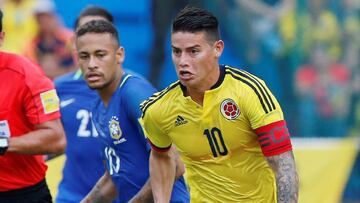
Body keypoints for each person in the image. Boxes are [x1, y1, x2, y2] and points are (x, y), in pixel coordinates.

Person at [140, 6, 299, 203]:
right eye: (176, 52)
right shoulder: (157, 110)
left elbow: (283, 164)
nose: (183, 61)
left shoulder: (250, 92)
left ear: (218, 49)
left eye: (193, 51)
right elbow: (160, 156)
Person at [75, 20, 189, 202]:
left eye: (100, 55)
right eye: (84, 56)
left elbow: (174, 163)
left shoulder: (135, 94)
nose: (91, 64)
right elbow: (115, 175)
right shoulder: (97, 105)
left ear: (119, 55)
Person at [0, 9, 66, 203]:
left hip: (21, 194)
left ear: (1, 37)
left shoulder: (26, 75)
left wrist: (3, 143)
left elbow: (56, 138)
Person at [55, 6, 117, 203]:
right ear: (74, 42)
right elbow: (52, 140)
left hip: (120, 197)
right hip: (71, 196)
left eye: (100, 31)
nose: (93, 38)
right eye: (86, 32)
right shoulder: (57, 89)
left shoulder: (134, 90)